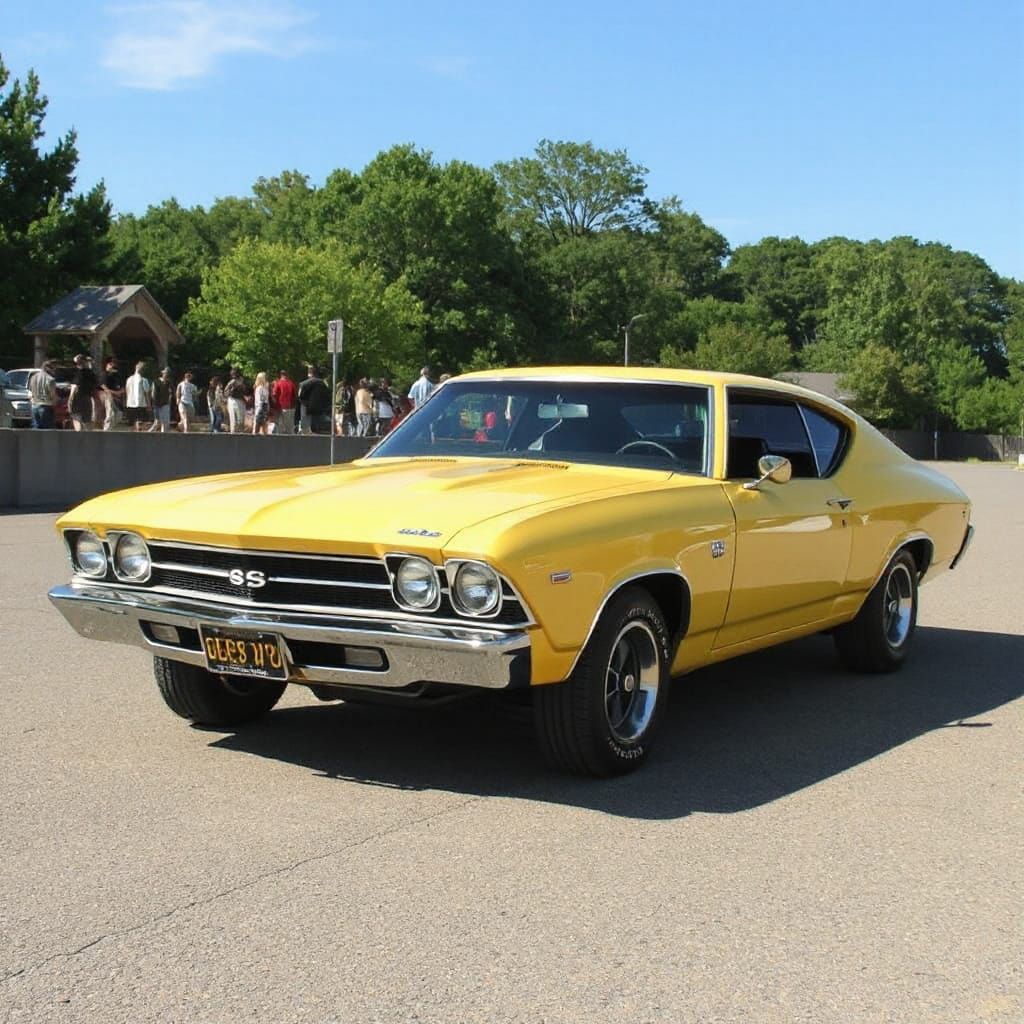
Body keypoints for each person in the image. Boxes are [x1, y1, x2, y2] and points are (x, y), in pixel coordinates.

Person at [67, 354, 100, 432]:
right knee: (87, 422)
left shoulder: (78, 374)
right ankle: (88, 437)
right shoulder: (91, 374)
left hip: (77, 399)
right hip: (88, 399)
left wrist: (69, 402)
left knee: (77, 420)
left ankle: (79, 437)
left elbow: (74, 389)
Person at [297, 366, 331, 434]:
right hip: (319, 410)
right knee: (318, 430)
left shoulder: (303, 384)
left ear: (309, 374)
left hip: (306, 409)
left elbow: (300, 396)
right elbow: (327, 397)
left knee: (305, 430)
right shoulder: (323, 384)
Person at [28, 361, 57, 429]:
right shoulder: (50, 379)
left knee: (36, 428)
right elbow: (52, 395)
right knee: (47, 430)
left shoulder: (33, 377)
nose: (54, 371)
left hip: (34, 406)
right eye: (53, 368)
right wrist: (55, 402)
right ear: (48, 368)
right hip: (46, 406)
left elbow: (30, 393)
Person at [100, 358, 123, 431]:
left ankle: (110, 428)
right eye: (110, 364)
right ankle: (106, 429)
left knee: (119, 414)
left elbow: (122, 387)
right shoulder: (104, 374)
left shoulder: (117, 375)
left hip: (117, 398)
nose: (112, 365)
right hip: (108, 397)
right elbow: (103, 387)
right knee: (110, 413)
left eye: (113, 364)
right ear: (106, 365)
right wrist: (115, 393)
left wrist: (120, 392)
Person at [271, 369, 296, 434]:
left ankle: (279, 439)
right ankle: (290, 439)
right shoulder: (291, 383)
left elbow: (274, 394)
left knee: (279, 427)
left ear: (281, 375)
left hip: (279, 407)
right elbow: (294, 395)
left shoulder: (278, 383)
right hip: (290, 407)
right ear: (287, 375)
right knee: (289, 427)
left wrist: (274, 406)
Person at [224, 368, 247, 433]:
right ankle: (233, 433)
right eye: (232, 374)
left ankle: (238, 432)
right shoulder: (232, 382)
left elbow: (244, 391)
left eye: (234, 373)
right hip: (233, 400)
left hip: (239, 400)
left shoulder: (240, 381)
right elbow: (226, 392)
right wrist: (231, 390)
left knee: (239, 419)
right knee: (233, 419)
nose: (233, 375)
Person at [147, 368, 171, 432]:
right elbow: (153, 393)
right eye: (166, 372)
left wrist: (168, 401)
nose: (167, 374)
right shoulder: (156, 381)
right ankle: (149, 433)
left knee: (165, 422)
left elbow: (170, 392)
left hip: (165, 404)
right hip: (157, 404)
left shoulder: (168, 382)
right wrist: (154, 403)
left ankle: (163, 435)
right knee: (157, 421)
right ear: (162, 373)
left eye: (168, 373)